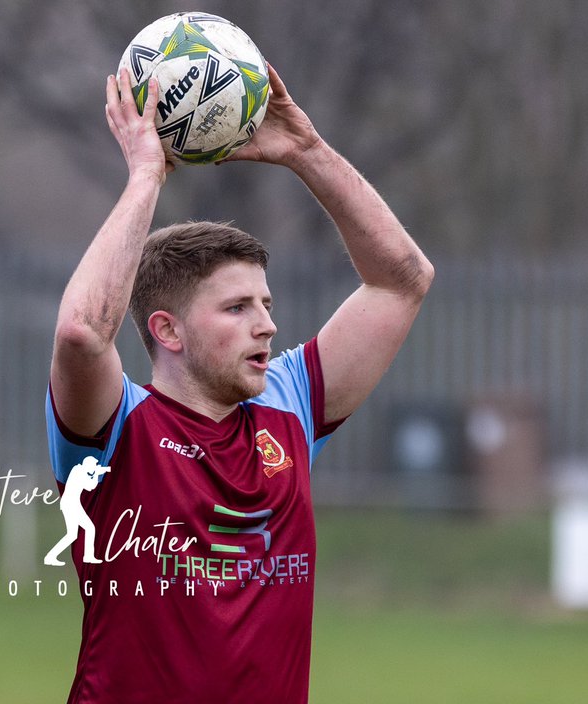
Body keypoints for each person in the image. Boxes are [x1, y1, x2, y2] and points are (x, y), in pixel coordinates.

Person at [44, 65, 434, 704]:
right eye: (236, 309)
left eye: (266, 303)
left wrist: (306, 153)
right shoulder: (113, 429)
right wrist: (147, 176)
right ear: (167, 331)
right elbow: (83, 333)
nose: (268, 326)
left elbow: (402, 279)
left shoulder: (290, 406)